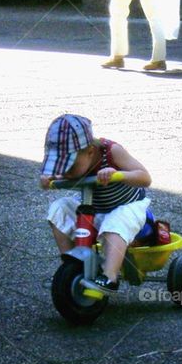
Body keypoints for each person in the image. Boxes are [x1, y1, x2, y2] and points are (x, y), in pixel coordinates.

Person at [39, 114, 152, 294]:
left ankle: (110, 276)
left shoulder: (113, 152)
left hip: (128, 209)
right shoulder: (80, 160)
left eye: (69, 166)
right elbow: (65, 174)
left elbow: (145, 177)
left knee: (115, 221)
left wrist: (118, 173)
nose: (65, 173)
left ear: (91, 151)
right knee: (58, 208)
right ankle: (71, 266)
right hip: (96, 210)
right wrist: (51, 177)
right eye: (60, 167)